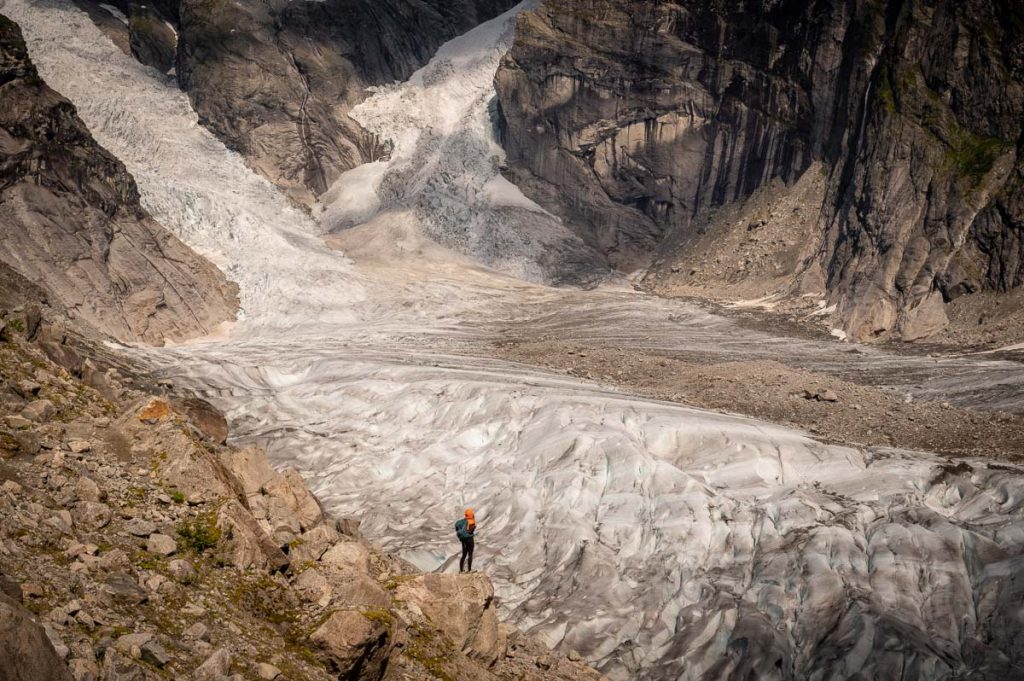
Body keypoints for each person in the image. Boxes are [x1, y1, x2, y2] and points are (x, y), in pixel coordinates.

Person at [455, 508, 476, 573]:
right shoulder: (471, 521)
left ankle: (461, 570)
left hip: (463, 540)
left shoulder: (462, 521)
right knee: (470, 554)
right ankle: (469, 570)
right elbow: (471, 531)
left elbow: (457, 527)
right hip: (469, 539)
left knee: (464, 555)